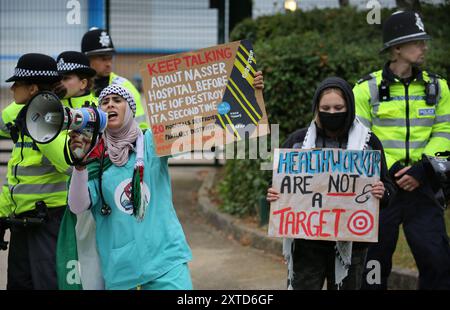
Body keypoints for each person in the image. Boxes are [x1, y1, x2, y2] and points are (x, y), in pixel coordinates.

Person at [266, 77, 395, 290]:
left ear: (350, 108)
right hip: (306, 246)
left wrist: (383, 193)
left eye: (338, 107)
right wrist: (272, 194)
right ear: (316, 108)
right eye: (325, 107)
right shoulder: (297, 142)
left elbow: (389, 189)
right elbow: (280, 185)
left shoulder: (369, 144)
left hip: (352, 245)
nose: (332, 112)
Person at [354, 11, 450, 290]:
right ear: (397, 48)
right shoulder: (365, 89)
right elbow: (360, 138)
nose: (424, 47)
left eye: (424, 41)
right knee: (372, 263)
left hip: (424, 186)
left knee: (438, 262)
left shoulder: (439, 87)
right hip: (380, 189)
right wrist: (392, 169)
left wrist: (423, 168)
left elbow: (445, 133)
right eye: (417, 41)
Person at [67, 84, 192, 290]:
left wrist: (246, 88)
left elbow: (198, 129)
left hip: (167, 261)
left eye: (117, 100)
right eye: (105, 102)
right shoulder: (95, 157)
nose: (110, 105)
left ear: (130, 109)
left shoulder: (151, 142)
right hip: (121, 271)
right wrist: (79, 166)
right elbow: (77, 206)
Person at [0, 53, 71, 289]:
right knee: (19, 285)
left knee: (47, 284)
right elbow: (17, 178)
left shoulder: (49, 118)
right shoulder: (24, 116)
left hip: (48, 221)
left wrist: (42, 124)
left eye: (16, 84)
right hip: (22, 221)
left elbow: (68, 163)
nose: (12, 89)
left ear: (31, 88)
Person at [81, 28, 149, 129]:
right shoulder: (77, 86)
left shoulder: (125, 86)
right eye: (103, 59)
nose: (109, 64)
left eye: (110, 58)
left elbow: (141, 126)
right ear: (87, 59)